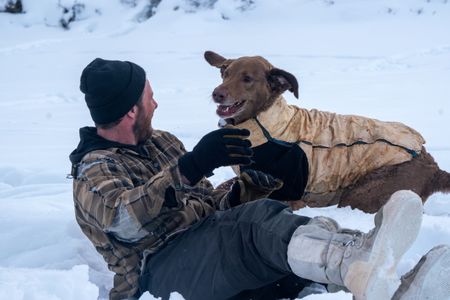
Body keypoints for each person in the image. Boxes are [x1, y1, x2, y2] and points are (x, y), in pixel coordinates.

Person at [69, 58, 450, 300]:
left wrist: (254, 183)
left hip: (208, 256)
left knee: (282, 248)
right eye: (149, 97)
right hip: (156, 273)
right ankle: (357, 260)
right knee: (253, 228)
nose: (156, 103)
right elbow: (126, 221)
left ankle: (394, 288)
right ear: (130, 110)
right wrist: (189, 167)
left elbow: (205, 204)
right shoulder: (95, 169)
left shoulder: (162, 142)